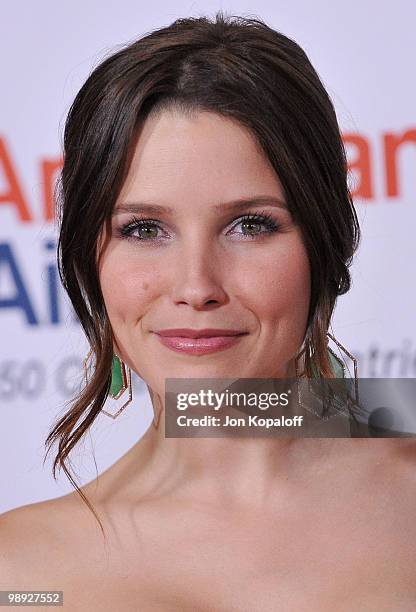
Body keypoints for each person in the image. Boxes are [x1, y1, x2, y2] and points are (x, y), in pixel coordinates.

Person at [1, 11, 416, 611]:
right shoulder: (22, 571)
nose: (197, 286)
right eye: (144, 229)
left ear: (324, 242)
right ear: (89, 258)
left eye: (250, 225)